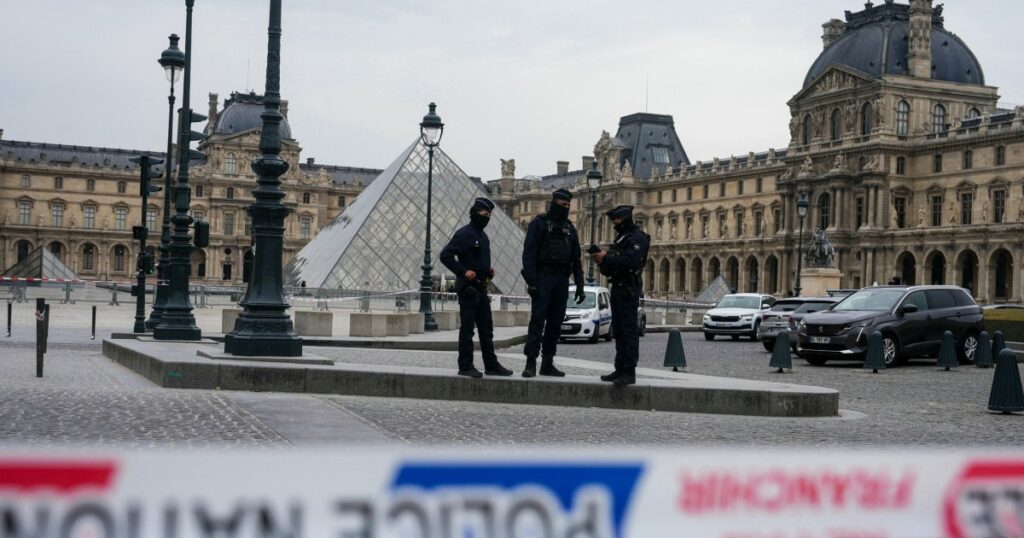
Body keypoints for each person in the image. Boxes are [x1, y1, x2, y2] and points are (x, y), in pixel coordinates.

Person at [439, 198, 513, 378]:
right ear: (474, 213)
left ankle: (491, 364)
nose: (487, 217)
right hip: (468, 289)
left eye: (489, 215)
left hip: (481, 287)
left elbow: (478, 260)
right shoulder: (464, 234)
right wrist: (463, 271)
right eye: (484, 214)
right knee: (467, 329)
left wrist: (488, 272)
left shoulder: (483, 236)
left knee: (487, 329)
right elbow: (445, 255)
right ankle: (465, 365)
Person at [521, 188, 585, 378]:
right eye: (562, 204)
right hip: (543, 277)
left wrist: (580, 284)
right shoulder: (539, 224)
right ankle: (530, 362)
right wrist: (531, 282)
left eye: (568, 205)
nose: (565, 208)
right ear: (554, 203)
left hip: (561, 280)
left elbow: (576, 259)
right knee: (537, 321)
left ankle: (547, 362)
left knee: (555, 323)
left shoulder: (569, 228)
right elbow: (529, 254)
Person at [591, 205, 650, 387]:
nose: (614, 224)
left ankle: (629, 371)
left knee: (629, 330)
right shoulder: (622, 238)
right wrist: (601, 261)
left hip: (628, 288)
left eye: (616, 220)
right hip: (617, 286)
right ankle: (619, 368)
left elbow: (631, 261)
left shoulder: (638, 238)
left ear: (625, 219)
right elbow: (613, 266)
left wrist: (606, 258)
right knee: (619, 330)